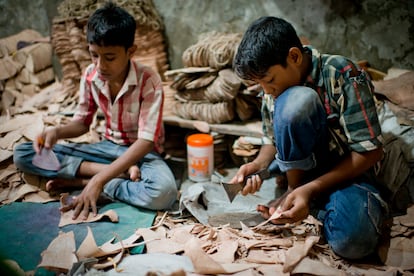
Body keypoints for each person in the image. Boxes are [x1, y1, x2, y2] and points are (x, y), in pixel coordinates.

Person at [231, 16, 387, 259]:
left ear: (294, 57)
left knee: (353, 242)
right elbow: (271, 140)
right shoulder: (271, 89)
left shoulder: (341, 73)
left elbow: (370, 152)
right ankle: (301, 197)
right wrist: (258, 165)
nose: (267, 90)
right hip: (300, 174)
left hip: (348, 174)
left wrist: (309, 189)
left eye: (269, 80)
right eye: (260, 84)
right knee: (289, 104)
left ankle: (307, 201)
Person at [13, 2, 177, 220]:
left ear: (130, 51)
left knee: (164, 193)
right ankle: (113, 174)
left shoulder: (149, 80)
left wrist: (97, 182)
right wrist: (57, 132)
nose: (100, 65)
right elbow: (82, 123)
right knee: (23, 154)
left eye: (109, 57)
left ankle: (89, 181)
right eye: (94, 55)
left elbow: (146, 141)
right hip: (106, 149)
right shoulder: (91, 75)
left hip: (142, 154)